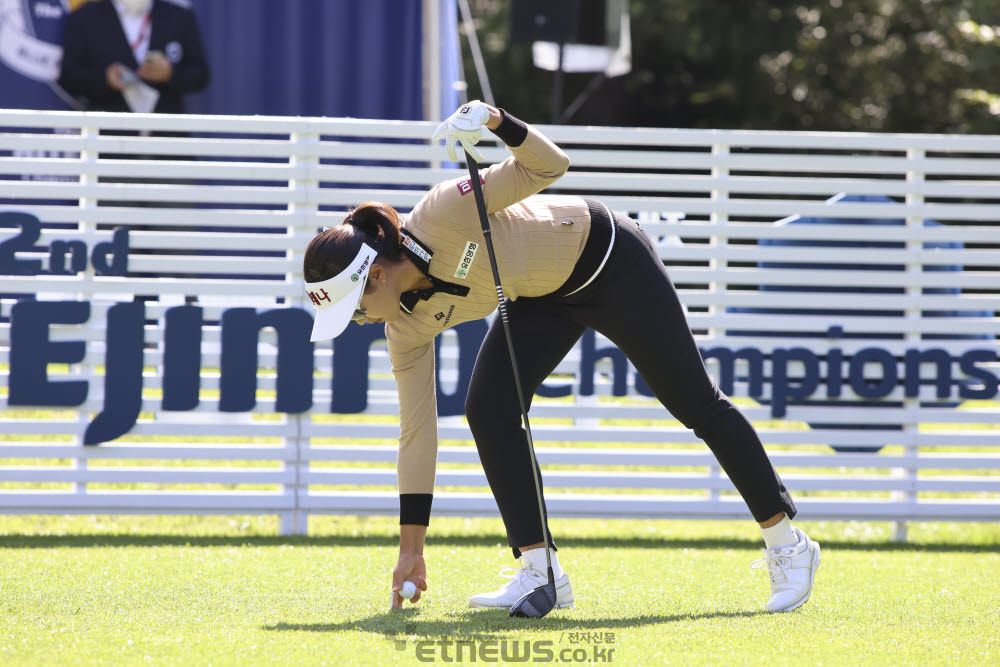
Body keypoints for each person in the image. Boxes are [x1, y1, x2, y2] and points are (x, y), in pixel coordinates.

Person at [303, 102, 821, 614]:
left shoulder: (443, 211)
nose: (360, 322)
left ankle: (789, 546)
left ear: (376, 275)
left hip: (611, 260)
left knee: (695, 403)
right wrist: (410, 552)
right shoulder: (404, 328)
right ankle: (539, 569)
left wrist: (495, 121)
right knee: (490, 410)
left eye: (356, 309)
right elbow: (417, 434)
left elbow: (550, 165)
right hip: (542, 298)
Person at [57, 0, 209, 114]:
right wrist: (105, 78)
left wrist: (171, 73)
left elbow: (201, 75)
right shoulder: (84, 17)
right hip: (109, 139)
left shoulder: (180, 16)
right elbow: (69, 76)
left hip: (167, 138)